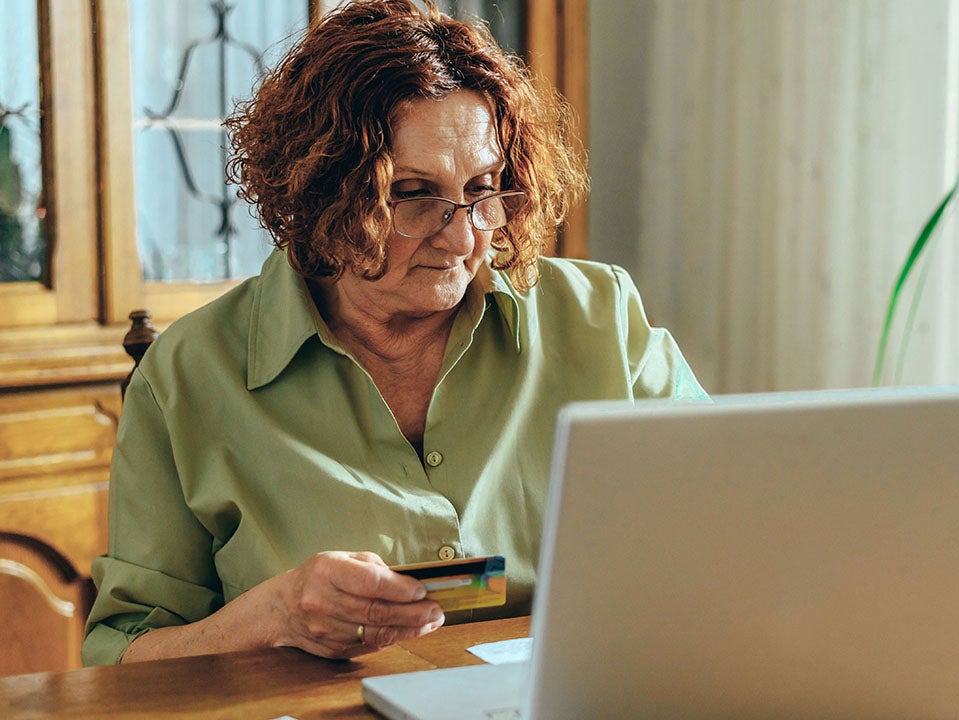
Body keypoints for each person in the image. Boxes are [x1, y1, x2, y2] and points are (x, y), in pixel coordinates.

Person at [82, 0, 706, 666]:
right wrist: (275, 614)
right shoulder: (187, 378)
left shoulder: (600, 318)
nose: (462, 239)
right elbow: (120, 656)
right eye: (412, 193)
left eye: (483, 187)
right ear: (321, 193)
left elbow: (729, 521)